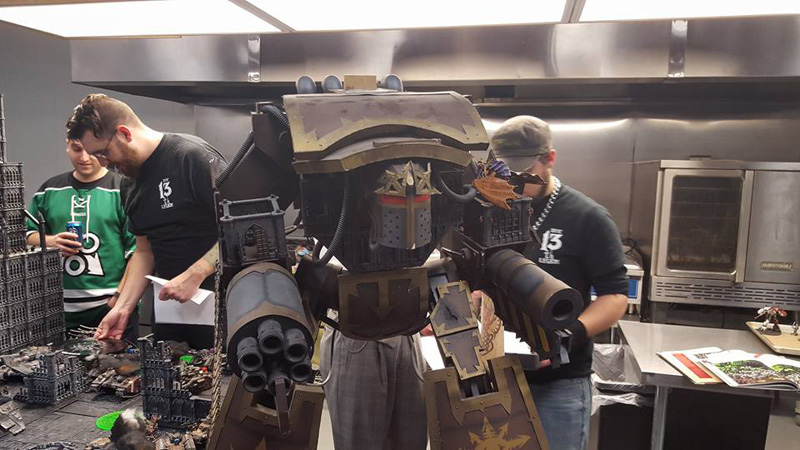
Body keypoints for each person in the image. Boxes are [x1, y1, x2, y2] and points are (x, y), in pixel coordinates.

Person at [491, 115, 629, 450]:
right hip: (496, 380)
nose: (514, 181)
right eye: (505, 170)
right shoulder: (492, 210)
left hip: (558, 385)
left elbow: (615, 296)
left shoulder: (587, 217)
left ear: (549, 158)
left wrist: (572, 334)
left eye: (523, 170)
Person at [65, 94, 226, 349]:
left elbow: (244, 230)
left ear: (124, 133)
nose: (103, 163)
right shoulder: (129, 184)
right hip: (171, 313)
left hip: (222, 309)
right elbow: (143, 252)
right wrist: (122, 308)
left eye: (103, 153)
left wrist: (196, 273)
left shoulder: (191, 157)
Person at [26, 138, 137, 338]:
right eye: (77, 149)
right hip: (56, 311)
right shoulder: (48, 191)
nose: (84, 158)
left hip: (111, 308)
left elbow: (138, 253)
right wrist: (51, 241)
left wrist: (118, 298)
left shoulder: (123, 189)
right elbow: (24, 236)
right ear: (67, 145)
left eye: (92, 151)